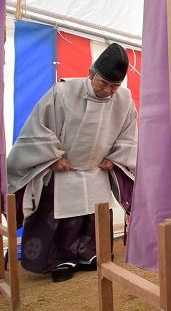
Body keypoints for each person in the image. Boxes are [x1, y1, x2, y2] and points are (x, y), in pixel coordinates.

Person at [7, 43, 137, 282]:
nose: (108, 90)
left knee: (93, 217)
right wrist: (52, 156)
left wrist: (116, 158)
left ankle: (91, 256)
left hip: (95, 169)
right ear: (91, 73)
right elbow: (38, 125)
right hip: (63, 169)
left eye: (114, 86)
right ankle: (58, 261)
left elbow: (129, 135)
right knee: (59, 217)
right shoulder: (64, 92)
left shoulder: (124, 100)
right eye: (103, 83)